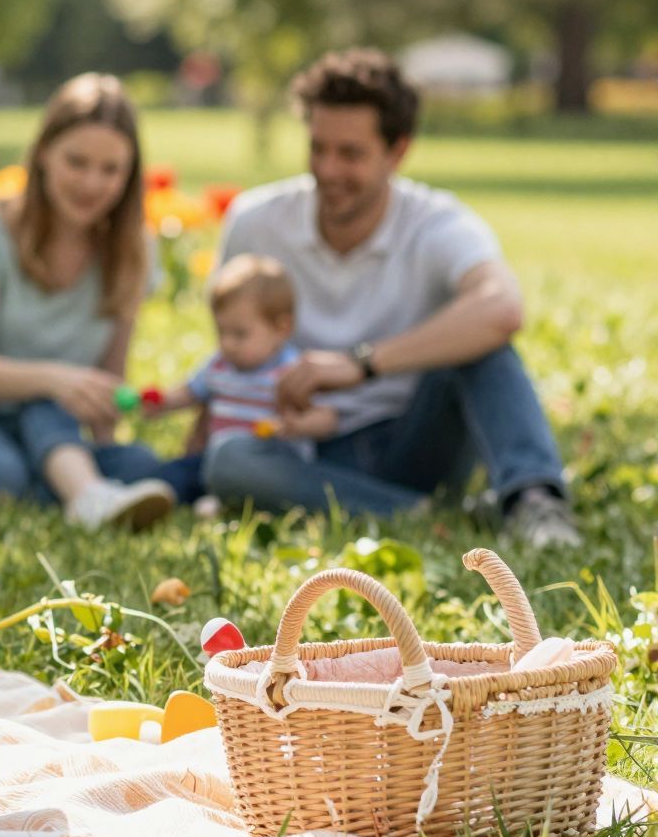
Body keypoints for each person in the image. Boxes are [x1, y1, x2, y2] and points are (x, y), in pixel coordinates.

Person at [204, 49, 579, 548]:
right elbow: (231, 344)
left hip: (415, 441)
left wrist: (360, 364)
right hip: (307, 451)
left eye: (351, 154)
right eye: (318, 148)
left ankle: (534, 503)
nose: (328, 169)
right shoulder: (255, 222)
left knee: (484, 343)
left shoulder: (438, 223)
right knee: (228, 462)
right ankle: (434, 518)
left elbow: (502, 306)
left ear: (397, 151)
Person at [0, 74, 182, 529]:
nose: (91, 183)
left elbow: (108, 377)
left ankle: (82, 489)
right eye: (76, 162)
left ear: (129, 175)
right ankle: (75, 489)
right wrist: (57, 380)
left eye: (110, 169)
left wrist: (105, 434)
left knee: (137, 464)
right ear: (43, 154)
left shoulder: (134, 248)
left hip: (53, 428)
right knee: (3, 473)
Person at [147, 254, 338, 461]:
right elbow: (189, 392)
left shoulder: (292, 371)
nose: (227, 343)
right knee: (177, 471)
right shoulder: (219, 365)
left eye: (240, 334)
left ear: (281, 329)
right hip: (214, 460)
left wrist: (298, 425)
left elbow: (328, 419)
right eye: (221, 331)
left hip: (268, 463)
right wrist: (161, 402)